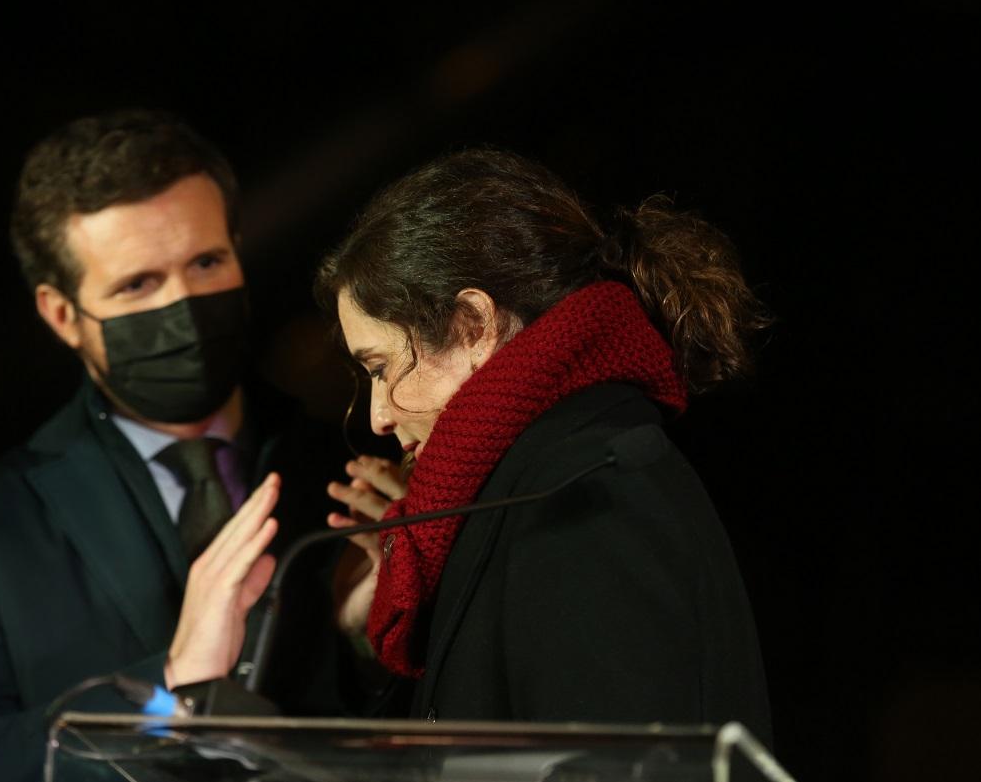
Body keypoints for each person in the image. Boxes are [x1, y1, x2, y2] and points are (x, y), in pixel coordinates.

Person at [0, 109, 351, 782]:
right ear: (62, 314)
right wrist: (171, 687)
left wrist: (380, 638)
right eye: (138, 283)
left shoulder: (341, 454)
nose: (184, 304)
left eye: (206, 261)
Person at [316, 147, 774, 739]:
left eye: (380, 367)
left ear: (471, 327)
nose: (378, 416)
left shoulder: (585, 491)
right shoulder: (529, 482)